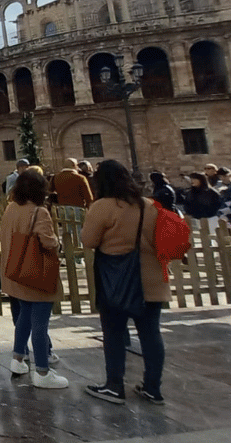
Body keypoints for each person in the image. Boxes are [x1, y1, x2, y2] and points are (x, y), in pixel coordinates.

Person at [83, 159, 168, 405]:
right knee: (151, 334)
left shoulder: (102, 207)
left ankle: (114, 386)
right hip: (151, 278)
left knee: (114, 333)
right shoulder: (150, 205)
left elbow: (88, 240)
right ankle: (153, 388)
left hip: (117, 279)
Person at [0, 169, 67, 389]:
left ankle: (18, 359)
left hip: (16, 271)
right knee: (40, 323)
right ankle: (43, 372)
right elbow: (48, 242)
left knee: (24, 317)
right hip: (36, 273)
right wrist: (58, 244)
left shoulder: (11, 208)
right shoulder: (39, 212)